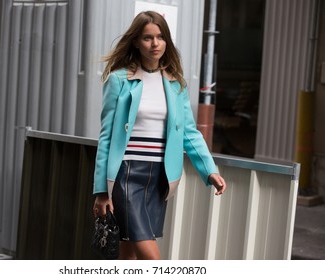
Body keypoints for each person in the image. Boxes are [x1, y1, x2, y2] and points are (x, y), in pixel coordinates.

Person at [92, 11, 226, 260]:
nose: (155, 44)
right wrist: (101, 190)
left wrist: (210, 170)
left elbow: (189, 132)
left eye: (161, 37)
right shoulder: (119, 80)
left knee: (128, 255)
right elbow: (106, 136)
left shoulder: (175, 84)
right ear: (135, 41)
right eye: (147, 38)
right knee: (152, 259)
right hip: (126, 175)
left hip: (159, 178)